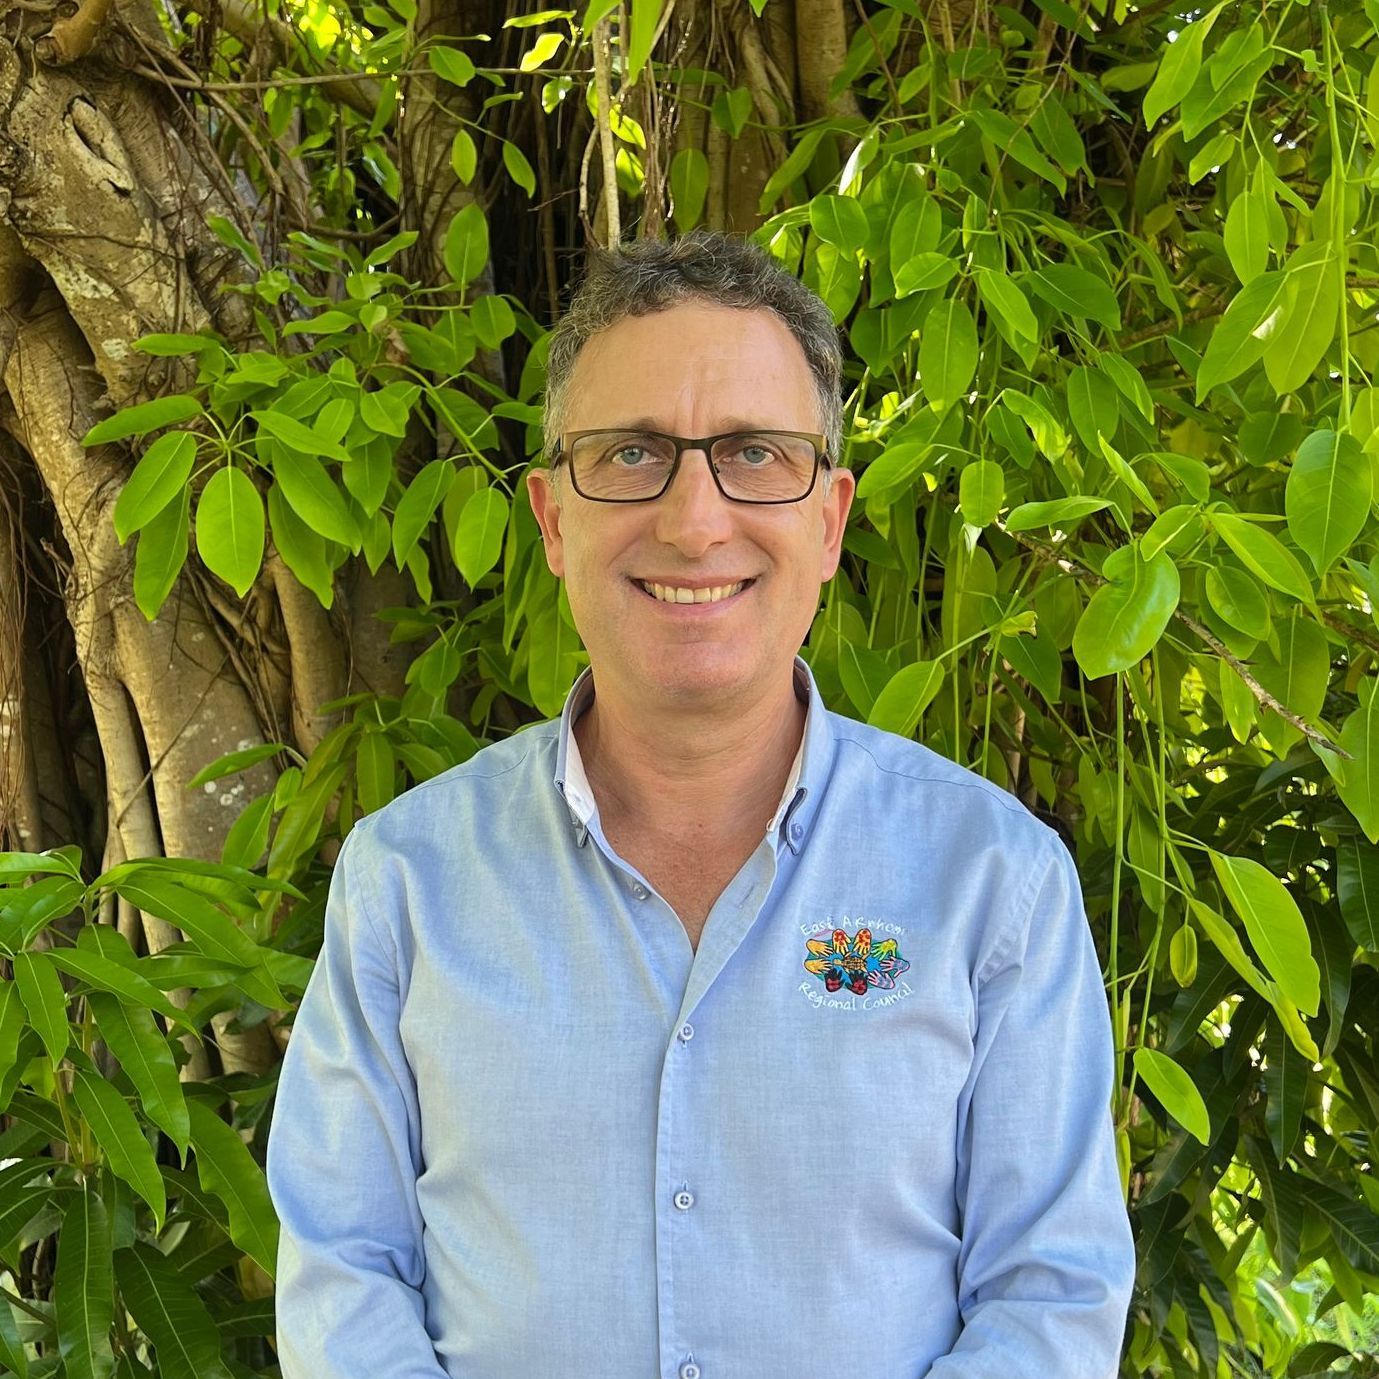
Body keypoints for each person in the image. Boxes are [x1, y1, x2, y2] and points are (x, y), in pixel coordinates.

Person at [265, 230, 1136, 1379]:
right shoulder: (406, 881)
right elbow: (343, 1276)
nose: (692, 519)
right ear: (551, 519)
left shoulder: (990, 878)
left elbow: (1050, 1289)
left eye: (753, 454)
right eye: (629, 454)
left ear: (827, 521)